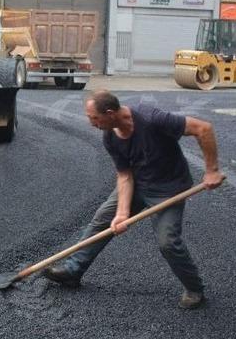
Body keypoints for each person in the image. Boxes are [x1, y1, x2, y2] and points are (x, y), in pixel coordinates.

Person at [43, 90, 225, 309]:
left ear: (110, 113)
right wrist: (121, 213)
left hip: (169, 190)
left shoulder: (152, 119)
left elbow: (202, 128)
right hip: (138, 183)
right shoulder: (110, 137)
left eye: (94, 118)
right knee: (103, 219)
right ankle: (73, 271)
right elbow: (124, 176)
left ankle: (195, 289)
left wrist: (212, 170)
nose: (91, 123)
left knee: (168, 242)